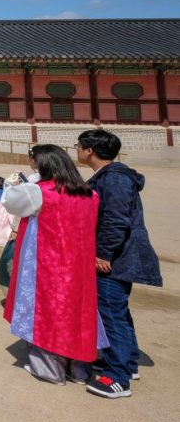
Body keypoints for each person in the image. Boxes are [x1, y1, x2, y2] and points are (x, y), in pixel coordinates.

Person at [2, 144, 102, 386]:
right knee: (77, 312)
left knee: (46, 311)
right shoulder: (90, 194)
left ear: (42, 163)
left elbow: (10, 203)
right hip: (79, 265)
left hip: (48, 262)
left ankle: (49, 368)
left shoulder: (39, 192)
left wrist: (13, 185)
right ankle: (77, 369)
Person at [76, 129, 162, 399]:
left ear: (90, 150)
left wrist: (103, 254)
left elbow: (115, 219)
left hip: (117, 258)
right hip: (118, 256)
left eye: (79, 146)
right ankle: (128, 361)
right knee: (117, 310)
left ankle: (118, 377)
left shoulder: (114, 179)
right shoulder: (111, 176)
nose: (77, 150)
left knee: (111, 312)